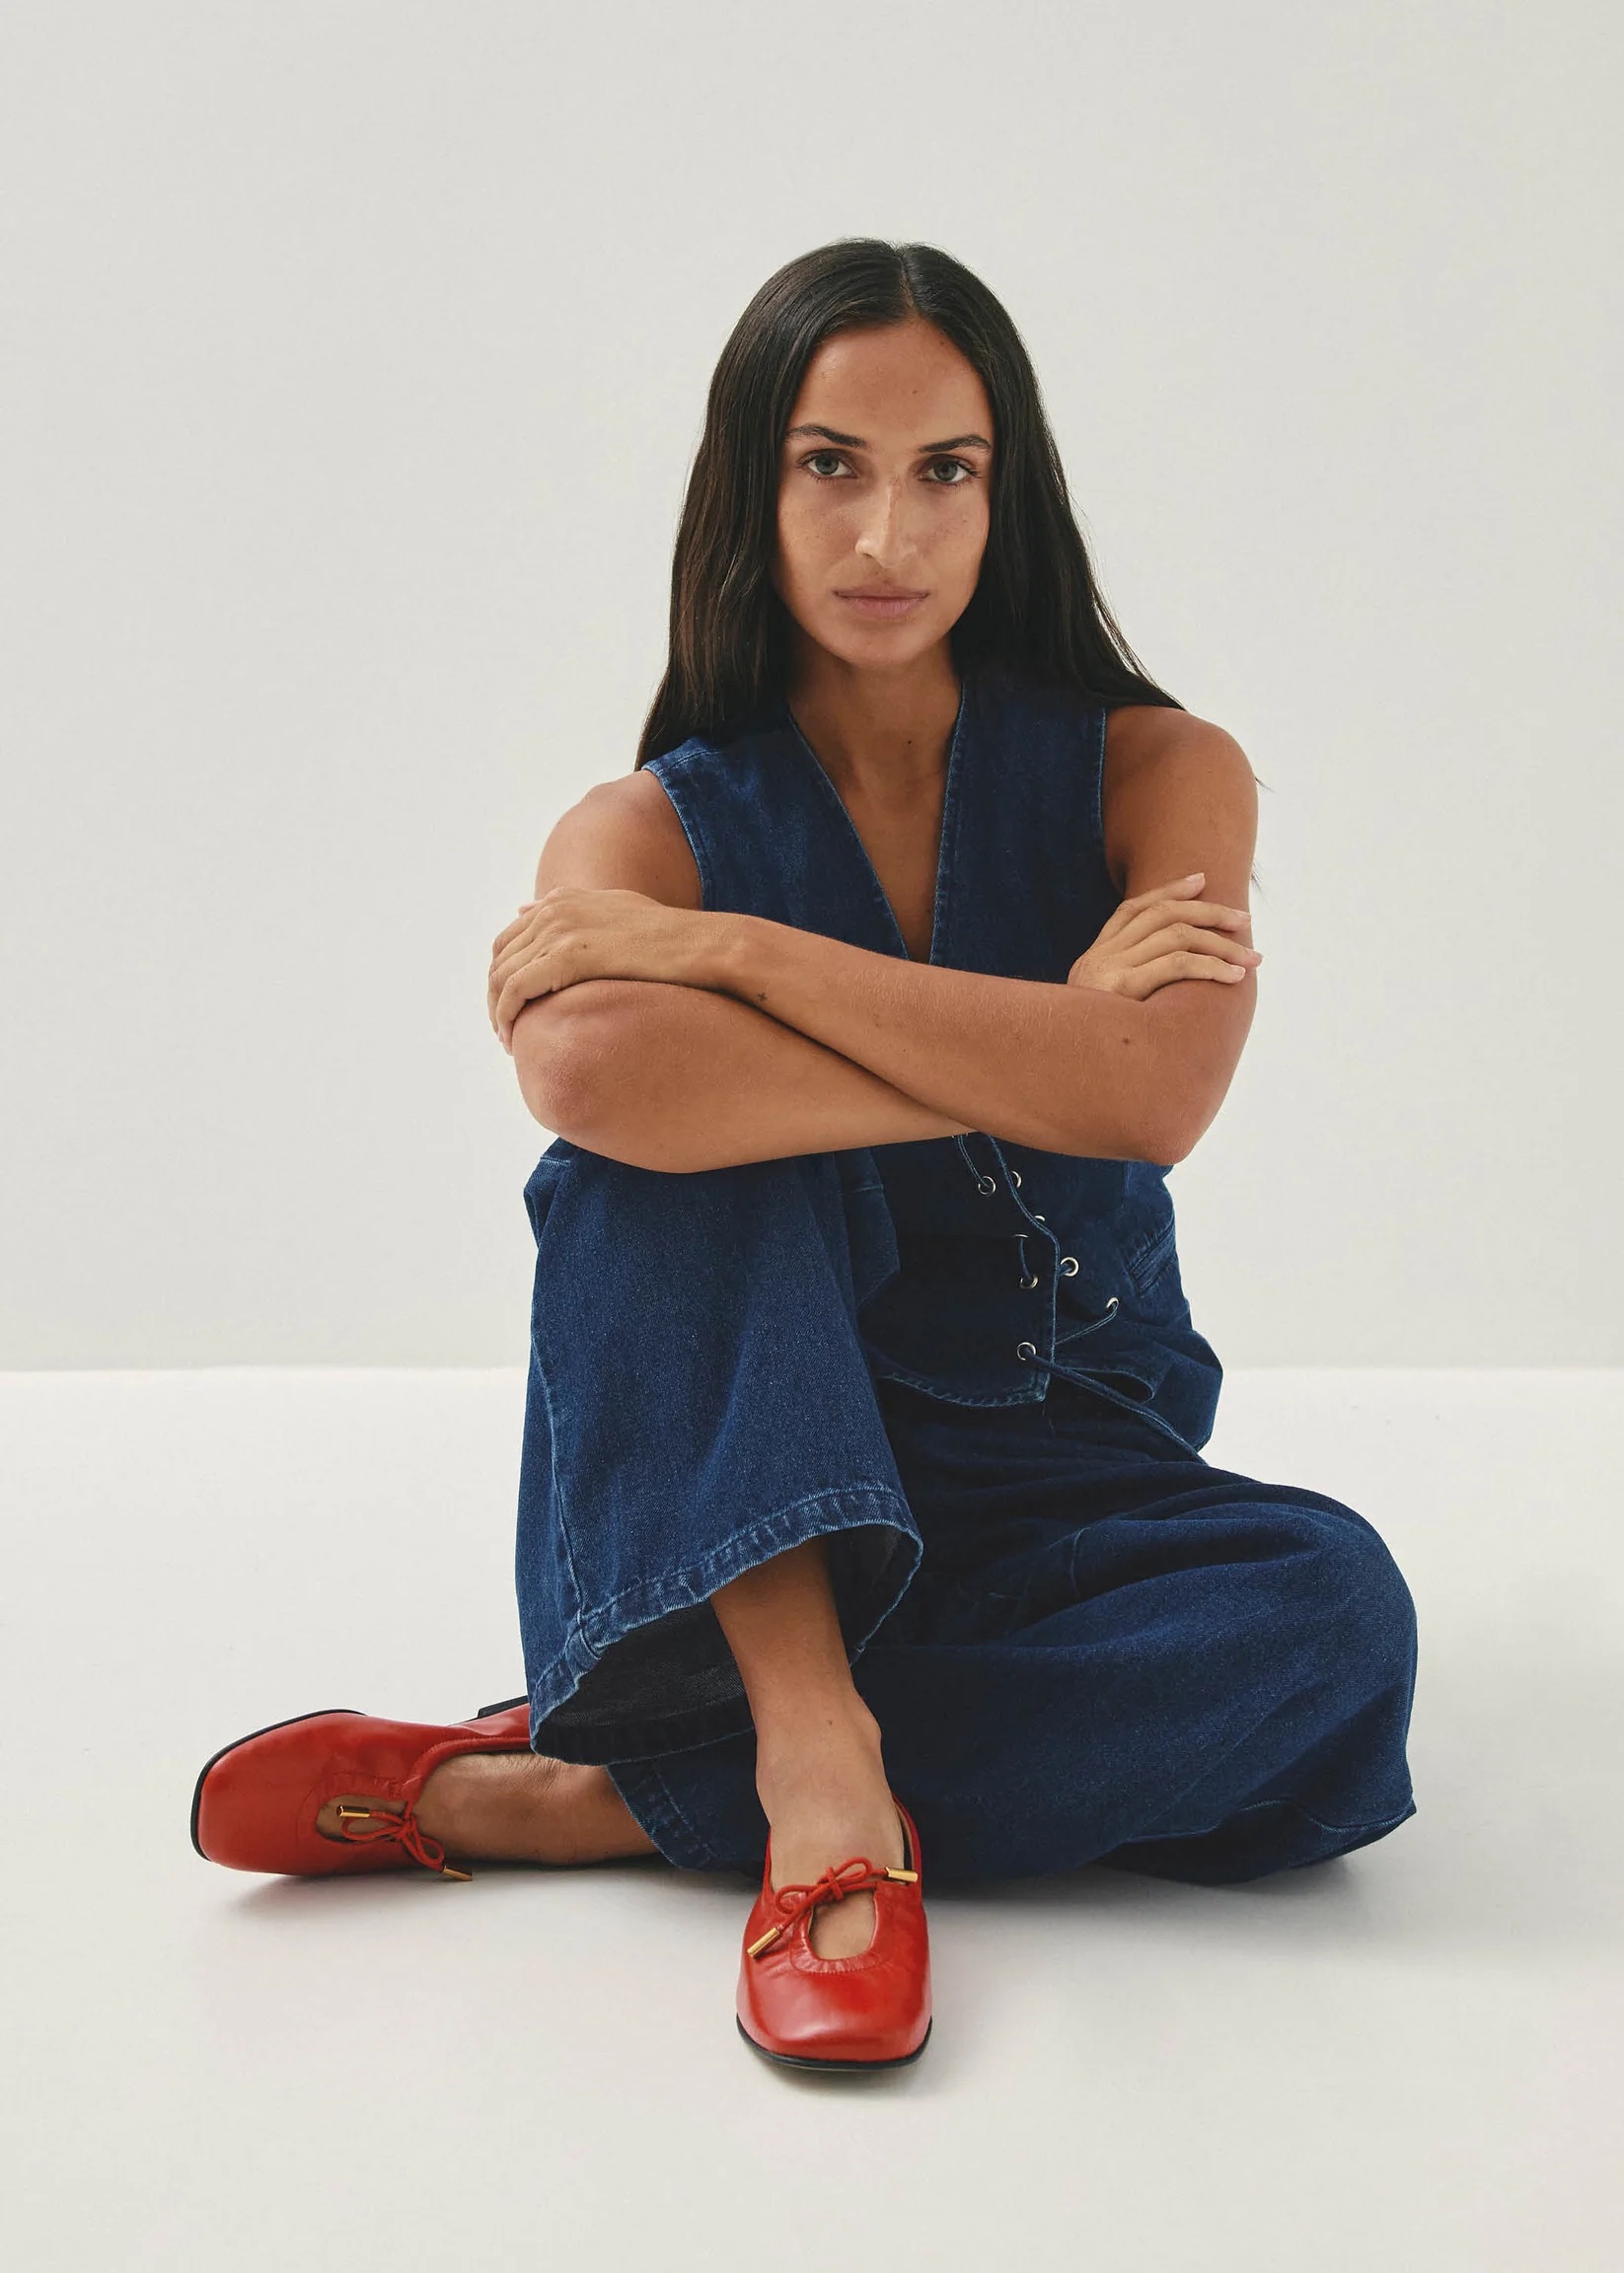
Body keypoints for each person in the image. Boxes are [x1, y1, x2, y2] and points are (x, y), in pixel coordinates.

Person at [189, 239, 1420, 2075]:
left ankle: (605, 1796)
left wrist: (738, 960)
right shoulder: (639, 828)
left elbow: (1155, 1096)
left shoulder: (1158, 773)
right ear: (749, 489)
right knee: (655, 1158)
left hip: (1067, 1465)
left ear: (1007, 497)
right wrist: (1043, 1044)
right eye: (830, 465)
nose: (886, 535)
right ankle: (814, 1760)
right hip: (730, 1482)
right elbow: (592, 1075)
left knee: (1336, 1626)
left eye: (945, 471)